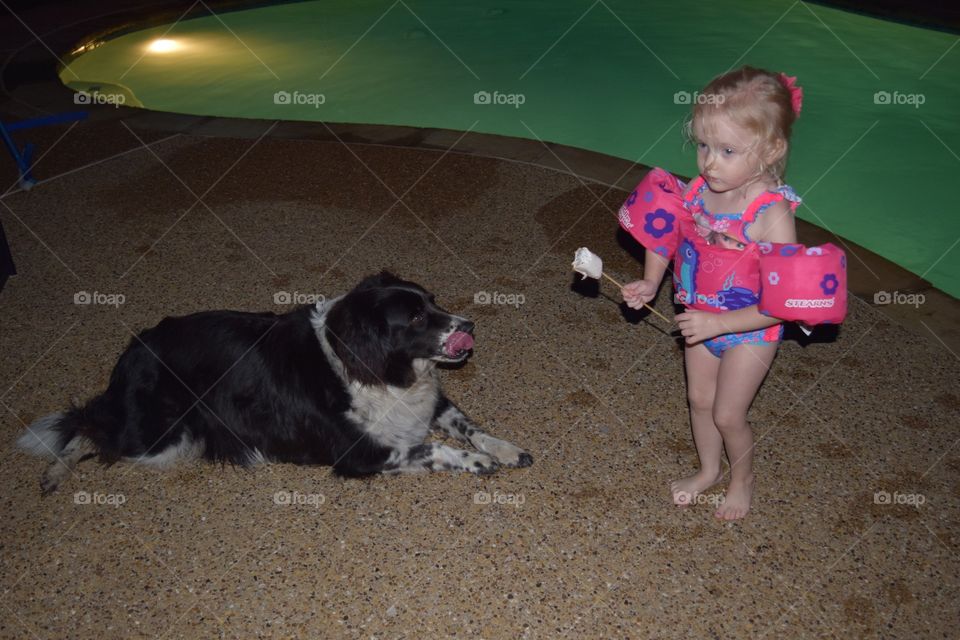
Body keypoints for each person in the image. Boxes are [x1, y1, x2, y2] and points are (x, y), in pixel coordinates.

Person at [620, 66, 804, 520]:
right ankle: (707, 470)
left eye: (726, 150)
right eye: (703, 145)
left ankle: (742, 479)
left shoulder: (772, 214)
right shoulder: (700, 191)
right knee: (699, 402)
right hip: (699, 317)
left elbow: (783, 304)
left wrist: (720, 324)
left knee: (727, 415)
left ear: (770, 151)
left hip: (751, 330)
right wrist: (650, 281)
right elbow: (670, 236)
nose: (709, 162)